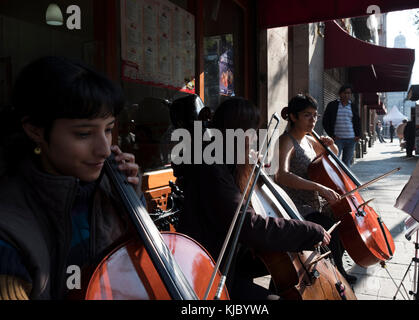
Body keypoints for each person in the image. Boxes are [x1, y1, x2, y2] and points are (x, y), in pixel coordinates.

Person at [0, 56, 142, 300]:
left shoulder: (108, 190)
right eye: (84, 134)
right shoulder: (8, 231)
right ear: (35, 130)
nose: (105, 149)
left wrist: (132, 203)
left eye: (108, 129)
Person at [177, 97, 331, 300]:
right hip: (210, 274)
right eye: (251, 131)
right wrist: (308, 230)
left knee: (283, 261)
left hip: (232, 258)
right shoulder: (211, 169)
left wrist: (247, 168)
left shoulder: (223, 159)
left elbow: (246, 205)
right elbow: (248, 224)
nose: (255, 138)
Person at [275, 93, 357, 285]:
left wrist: (332, 146)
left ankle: (336, 269)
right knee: (329, 230)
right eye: (307, 115)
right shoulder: (286, 141)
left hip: (314, 201)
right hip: (296, 205)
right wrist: (318, 186)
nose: (313, 120)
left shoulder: (310, 139)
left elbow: (329, 158)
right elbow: (282, 175)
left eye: (315, 115)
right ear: (293, 117)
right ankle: (338, 277)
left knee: (345, 220)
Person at [322, 84, 361, 167]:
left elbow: (357, 121)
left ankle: (344, 180)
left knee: (346, 164)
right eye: (345, 93)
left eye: (349, 93)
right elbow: (325, 121)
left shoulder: (353, 107)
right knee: (334, 162)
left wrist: (358, 135)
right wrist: (331, 135)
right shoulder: (332, 105)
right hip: (337, 140)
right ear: (340, 94)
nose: (347, 95)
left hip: (351, 139)